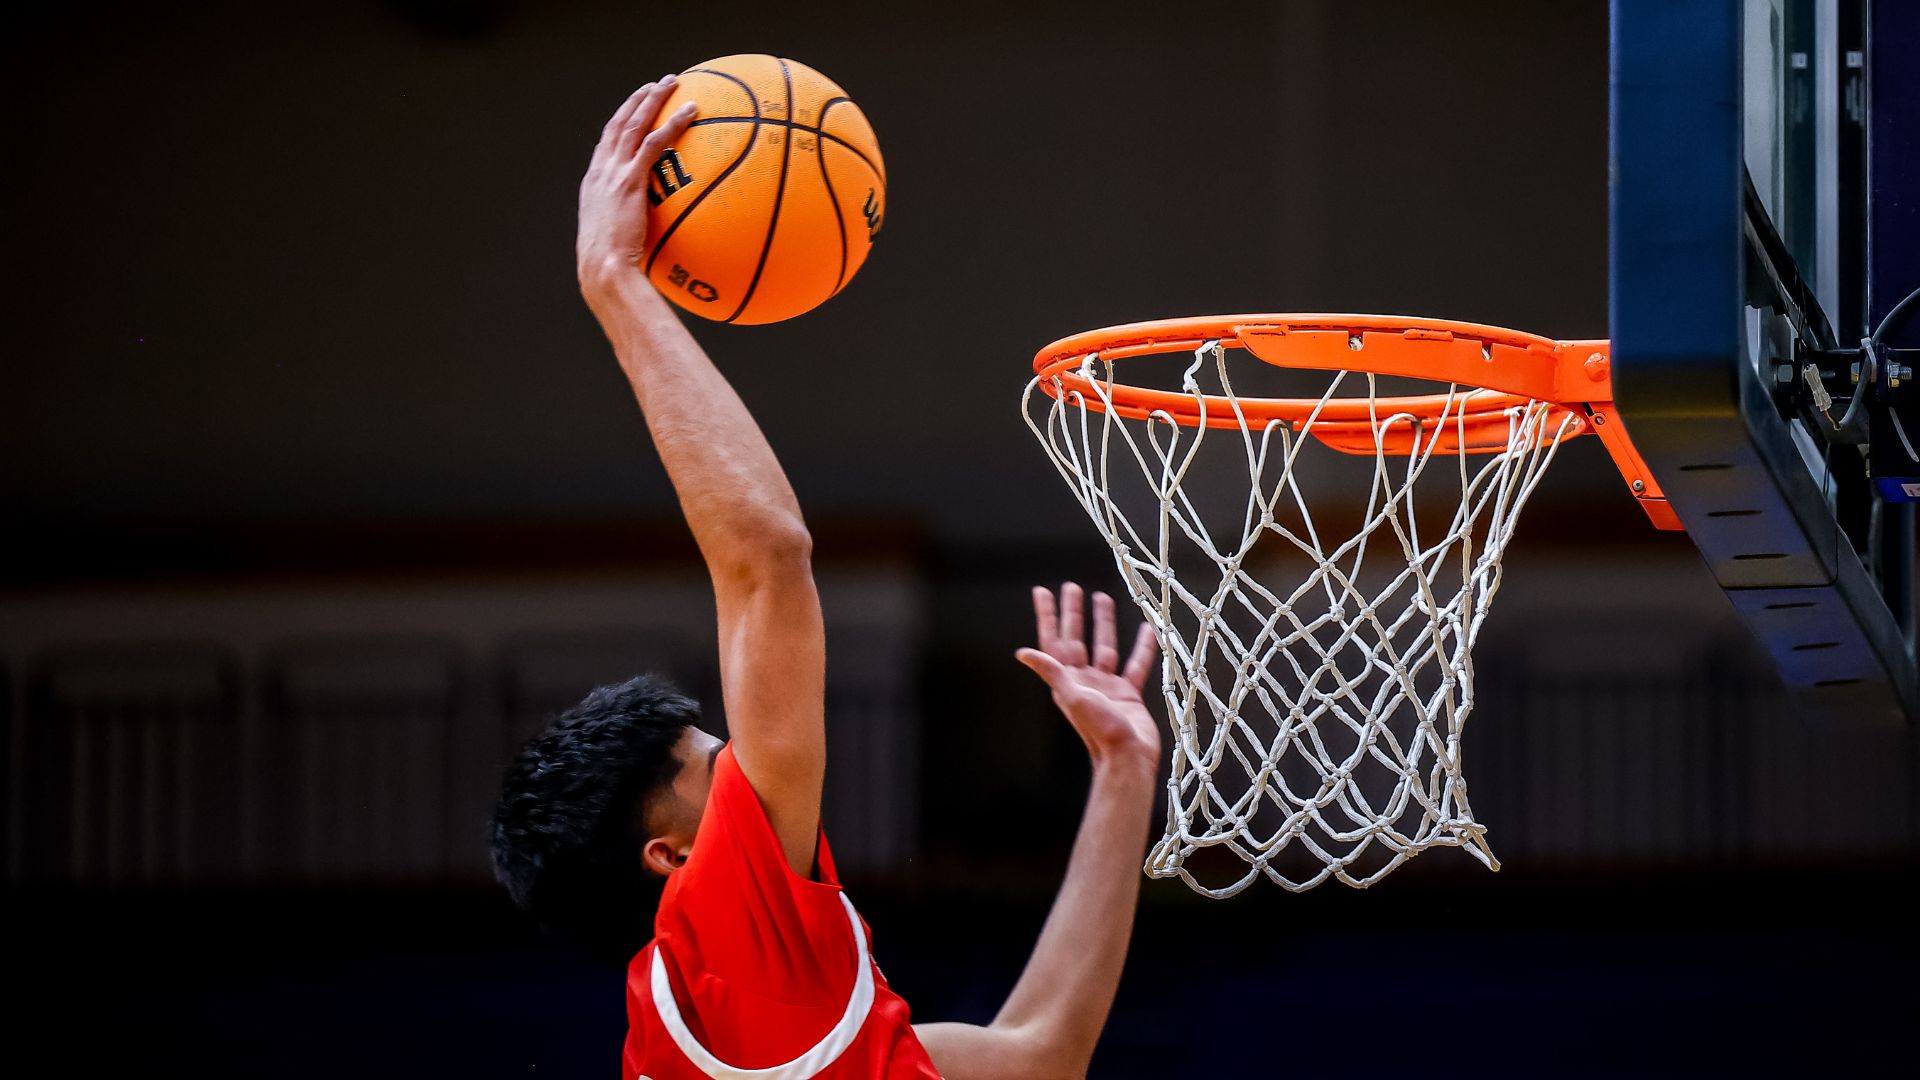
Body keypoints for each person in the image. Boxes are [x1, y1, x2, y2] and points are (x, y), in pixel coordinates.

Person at [491, 76, 1162, 1080]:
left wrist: (1121, 774)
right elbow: (767, 560)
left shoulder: (767, 1031)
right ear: (675, 860)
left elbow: (1038, 1054)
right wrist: (614, 281)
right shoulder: (733, 967)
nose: (755, 759)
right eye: (712, 763)